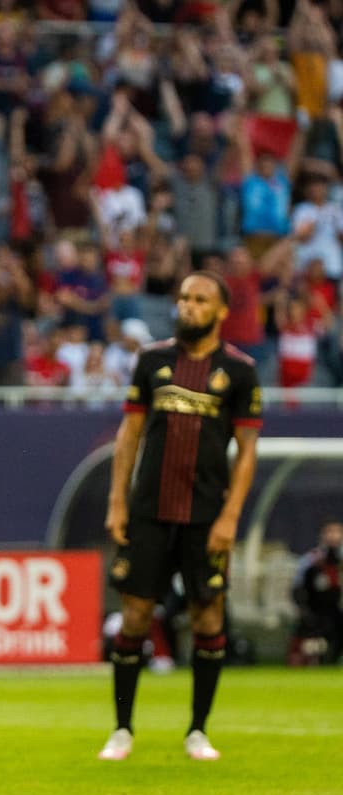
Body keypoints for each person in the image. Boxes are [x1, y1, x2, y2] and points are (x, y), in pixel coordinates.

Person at [101, 272, 261, 762]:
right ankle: (122, 729)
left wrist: (230, 517)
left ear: (221, 311)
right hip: (149, 511)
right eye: (184, 298)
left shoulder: (240, 371)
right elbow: (129, 435)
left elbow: (247, 451)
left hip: (206, 516)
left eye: (200, 299)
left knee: (207, 616)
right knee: (135, 615)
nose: (188, 306)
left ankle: (197, 730)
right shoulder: (152, 360)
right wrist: (117, 501)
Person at [290, 520, 343, 665]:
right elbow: (297, 589)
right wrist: (303, 610)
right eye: (329, 532)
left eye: (337, 532)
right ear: (322, 535)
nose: (333, 536)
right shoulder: (311, 560)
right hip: (316, 611)